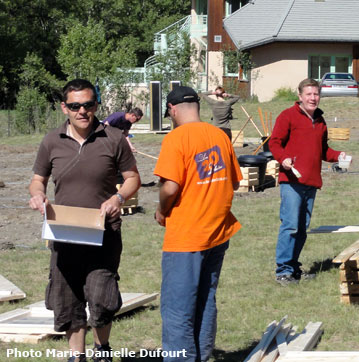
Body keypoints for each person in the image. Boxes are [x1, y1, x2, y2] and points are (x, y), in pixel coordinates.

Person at [28, 79, 141, 362]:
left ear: (96, 105)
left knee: (102, 296)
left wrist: (118, 199)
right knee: (68, 299)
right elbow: (37, 180)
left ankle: (102, 350)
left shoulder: (113, 138)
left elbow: (132, 179)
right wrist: (38, 196)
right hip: (64, 232)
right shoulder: (52, 141)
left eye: (88, 105)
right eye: (75, 106)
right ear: (65, 107)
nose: (82, 111)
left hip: (103, 232)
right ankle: (76, 356)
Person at [154, 86, 242, 361]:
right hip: (218, 231)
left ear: (172, 109)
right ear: (198, 107)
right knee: (205, 300)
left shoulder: (176, 138)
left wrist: (160, 210)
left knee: (177, 308)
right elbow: (235, 181)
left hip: (187, 236)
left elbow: (170, 188)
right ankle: (201, 356)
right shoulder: (219, 135)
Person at [269, 78, 346, 286]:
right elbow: (274, 142)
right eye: (309, 94)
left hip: (311, 183)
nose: (313, 98)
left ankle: (293, 268)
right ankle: (283, 271)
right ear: (300, 96)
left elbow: (323, 151)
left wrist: (339, 155)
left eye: (316, 94)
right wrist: (283, 158)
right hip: (292, 180)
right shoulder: (287, 116)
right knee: (291, 226)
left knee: (302, 228)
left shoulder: (320, 121)